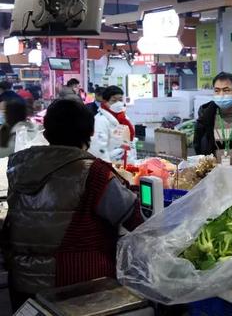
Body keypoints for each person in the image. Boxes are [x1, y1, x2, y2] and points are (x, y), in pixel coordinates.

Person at [1, 99, 143, 310]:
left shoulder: (19, 168)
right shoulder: (93, 173)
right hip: (79, 288)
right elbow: (135, 220)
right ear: (90, 132)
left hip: (23, 283)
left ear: (46, 134)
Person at [89, 86, 135, 163]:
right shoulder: (100, 120)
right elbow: (98, 148)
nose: (118, 103)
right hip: (110, 166)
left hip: (126, 164)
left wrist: (132, 161)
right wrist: (107, 169)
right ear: (105, 102)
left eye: (120, 100)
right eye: (114, 100)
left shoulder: (124, 118)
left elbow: (130, 141)